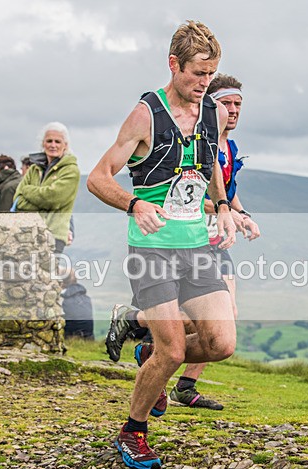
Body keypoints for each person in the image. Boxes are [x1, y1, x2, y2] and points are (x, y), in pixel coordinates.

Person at [87, 20, 237, 469]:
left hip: (197, 248)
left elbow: (210, 165)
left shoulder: (213, 113)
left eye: (210, 74)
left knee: (221, 343)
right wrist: (134, 205)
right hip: (151, 251)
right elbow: (98, 178)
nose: (204, 83)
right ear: (174, 65)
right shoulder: (146, 115)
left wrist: (223, 206)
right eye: (197, 73)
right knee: (174, 350)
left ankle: (149, 354)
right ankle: (133, 431)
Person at [106, 73, 261, 411]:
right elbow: (186, 194)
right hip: (168, 242)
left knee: (221, 326)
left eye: (238, 104)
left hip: (207, 241)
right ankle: (153, 361)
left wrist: (235, 212)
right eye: (226, 103)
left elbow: (220, 185)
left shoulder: (227, 144)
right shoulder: (167, 123)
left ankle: (161, 359)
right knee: (178, 336)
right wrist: (136, 205)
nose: (233, 110)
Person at [12, 122, 80, 254]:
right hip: (27, 234)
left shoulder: (71, 170)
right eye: (49, 141)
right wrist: (42, 201)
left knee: (47, 269)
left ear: (65, 145)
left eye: (57, 141)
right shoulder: (34, 169)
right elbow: (18, 199)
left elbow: (52, 199)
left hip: (53, 236)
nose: (53, 145)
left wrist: (27, 190)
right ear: (43, 143)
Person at [61, 269, 94, 339]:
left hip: (70, 337)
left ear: (62, 281)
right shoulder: (86, 298)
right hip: (89, 338)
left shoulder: (62, 299)